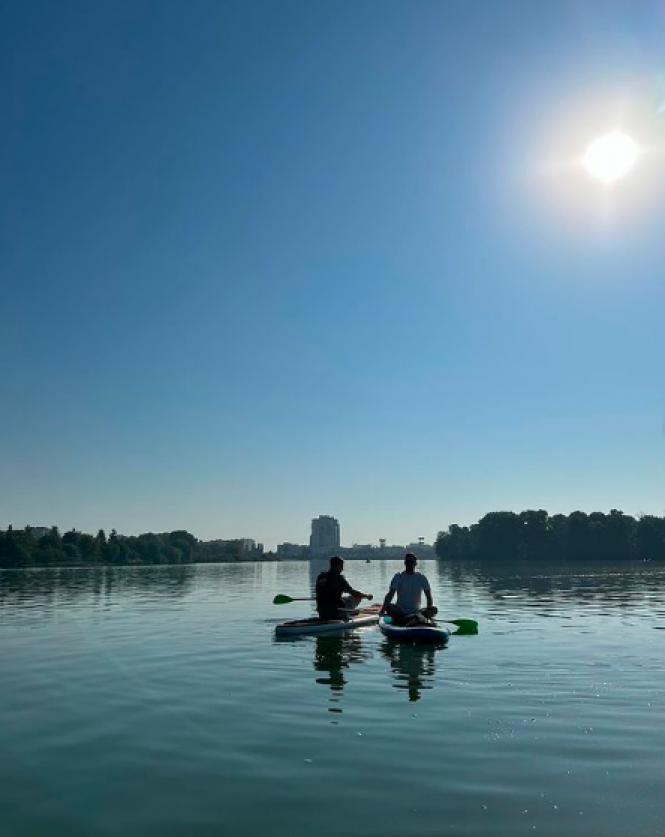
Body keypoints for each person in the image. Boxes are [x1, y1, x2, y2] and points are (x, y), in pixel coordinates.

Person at [379, 553, 437, 625]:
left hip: (416, 611)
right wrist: (382, 610)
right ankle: (413, 619)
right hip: (400, 611)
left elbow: (428, 596)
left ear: (415, 563)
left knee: (434, 609)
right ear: (405, 563)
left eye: (411, 562)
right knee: (388, 606)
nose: (409, 564)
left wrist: (429, 611)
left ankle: (415, 618)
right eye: (408, 561)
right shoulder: (398, 577)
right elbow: (390, 594)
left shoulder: (421, 578)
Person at [315, 556, 373, 620]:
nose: (342, 569)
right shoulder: (338, 578)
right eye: (341, 566)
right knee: (357, 598)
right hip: (336, 613)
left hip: (322, 612)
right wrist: (367, 596)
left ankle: (348, 611)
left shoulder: (321, 576)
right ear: (336, 566)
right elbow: (354, 593)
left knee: (343, 598)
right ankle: (346, 613)